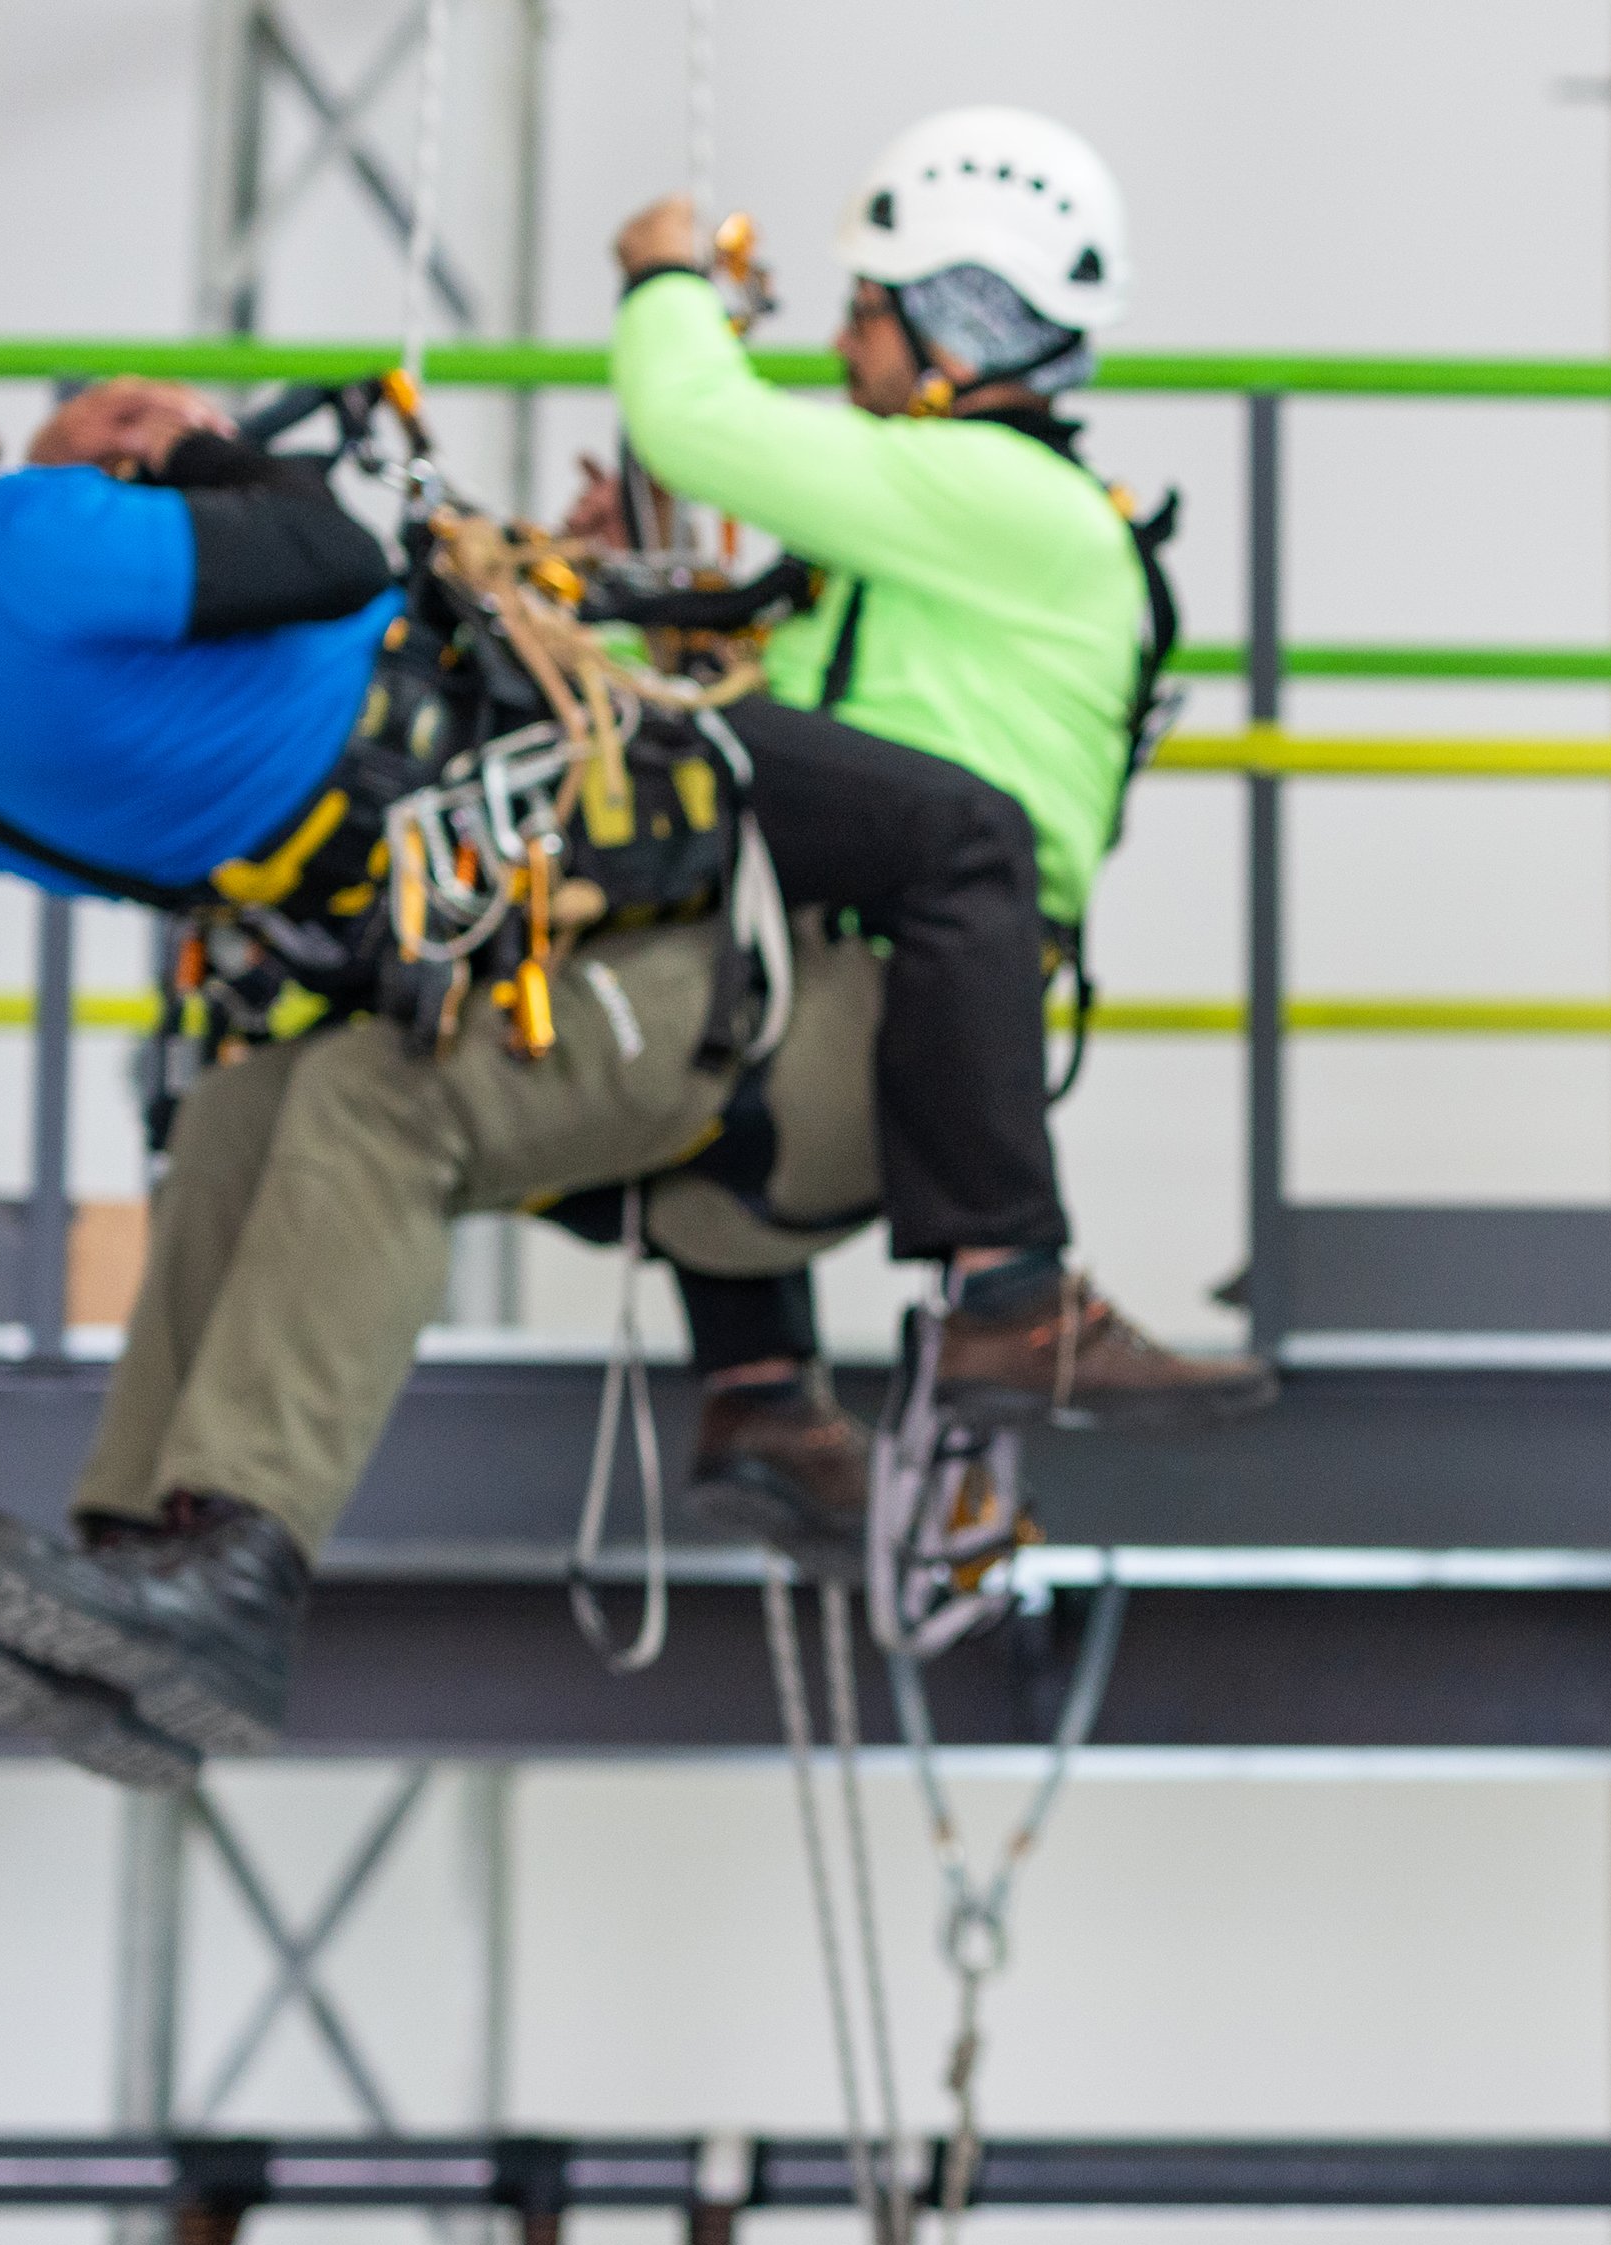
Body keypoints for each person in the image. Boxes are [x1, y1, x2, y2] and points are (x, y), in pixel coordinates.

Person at [0, 203, 1225, 1781]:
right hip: (601, 869)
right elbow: (336, 549)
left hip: (606, 934)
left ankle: (181, 1538)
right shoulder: (18, 538)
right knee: (299, 1098)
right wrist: (178, 444)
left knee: (313, 1102)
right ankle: (180, 1551)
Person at [594, 104, 1267, 1552]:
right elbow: (785, 675)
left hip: (910, 941)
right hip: (874, 935)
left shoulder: (994, 494)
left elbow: (693, 421)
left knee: (732, 776)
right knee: (731, 806)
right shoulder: (949, 522)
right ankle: (762, 1391)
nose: (843, 349)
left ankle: (1001, 1293)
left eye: (867, 313)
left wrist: (664, 281)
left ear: (957, 325)